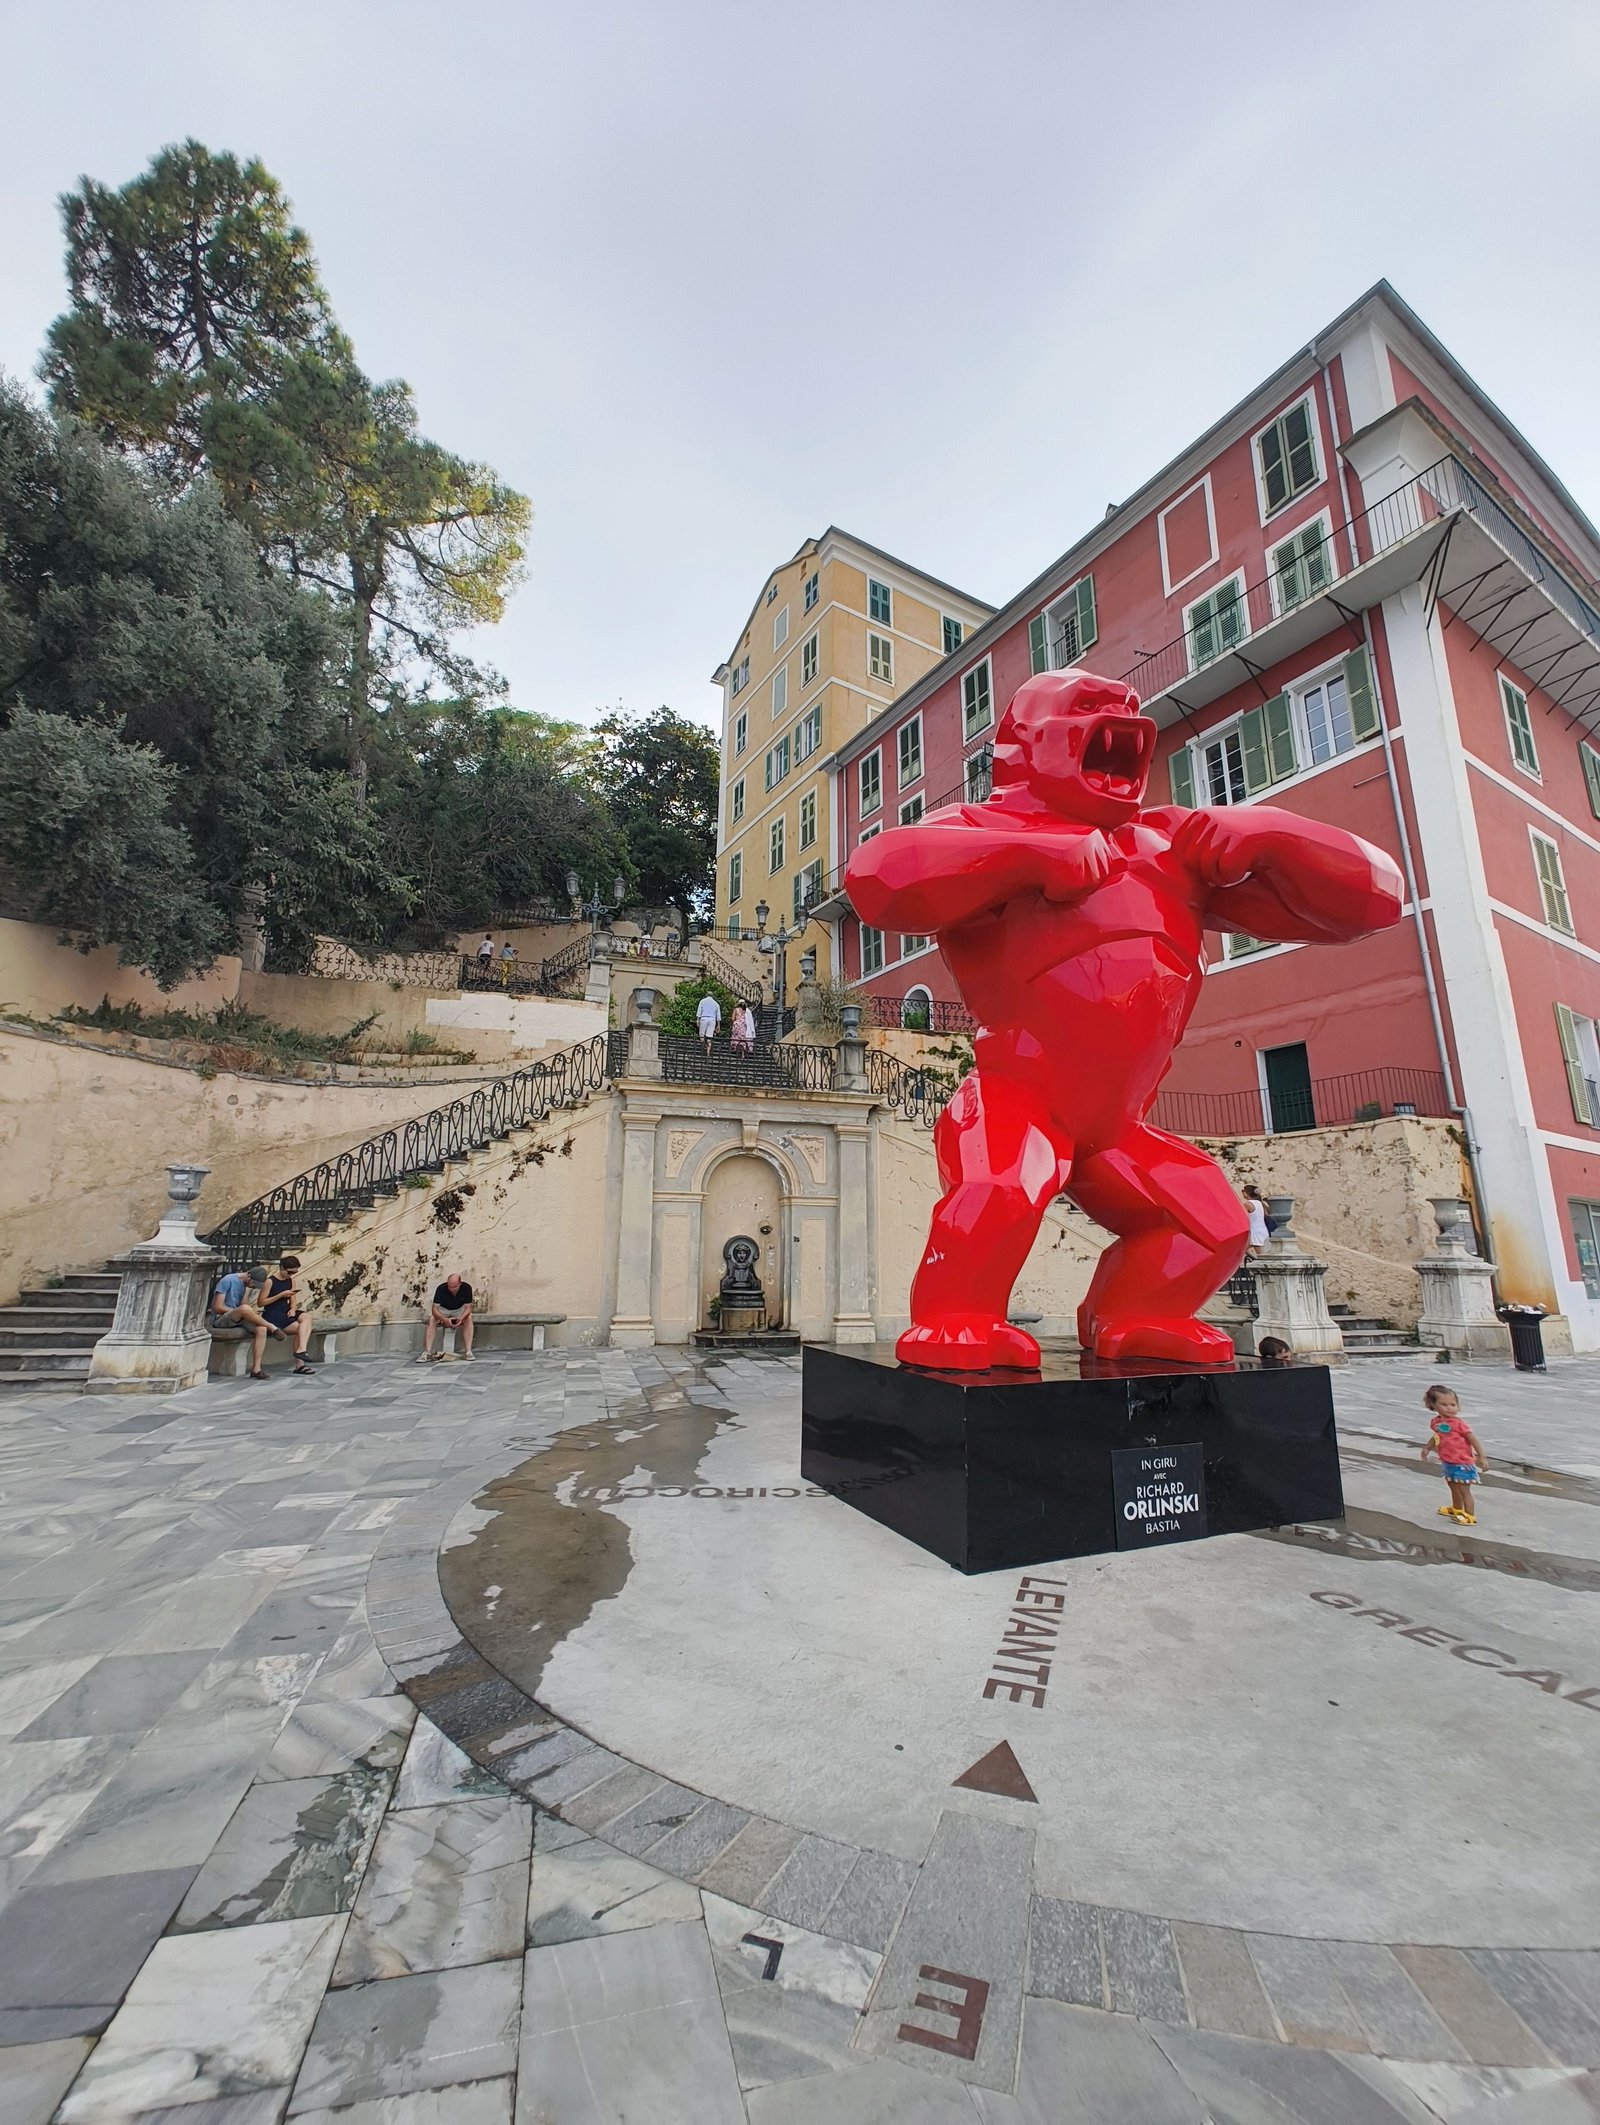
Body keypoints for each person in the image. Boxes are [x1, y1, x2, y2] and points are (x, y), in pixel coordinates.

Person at [1421, 1383, 1484, 1525]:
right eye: (1444, 1404)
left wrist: (1482, 1456)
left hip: (1462, 1463)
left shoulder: (1459, 1424)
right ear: (1433, 1405)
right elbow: (1437, 1436)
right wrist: (1427, 1447)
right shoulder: (1437, 1422)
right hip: (1448, 1461)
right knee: (1452, 1486)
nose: (1449, 1408)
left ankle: (1469, 1516)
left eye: (1453, 1404)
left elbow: (1473, 1439)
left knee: (1464, 1490)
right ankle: (1457, 1509)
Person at [210, 1266, 282, 1380]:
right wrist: (239, 1311)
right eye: (254, 1284)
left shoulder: (246, 1286)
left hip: (238, 1317)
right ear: (249, 1276)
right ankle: (272, 1327)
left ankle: (256, 1369)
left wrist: (246, 1295)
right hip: (221, 1318)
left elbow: (244, 1306)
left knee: (261, 1329)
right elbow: (217, 1307)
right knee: (245, 1309)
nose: (254, 1287)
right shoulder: (228, 1280)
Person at [259, 1254, 316, 1376]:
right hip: (273, 1313)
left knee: (307, 1317)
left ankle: (301, 1349)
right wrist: (280, 1295)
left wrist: (293, 1309)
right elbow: (261, 1302)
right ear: (282, 1268)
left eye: (294, 1272)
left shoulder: (291, 1281)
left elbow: (293, 1299)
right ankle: (300, 1364)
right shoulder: (270, 1281)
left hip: (286, 1310)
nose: (291, 1275)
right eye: (289, 1272)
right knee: (299, 1328)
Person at [421, 1271, 475, 1361]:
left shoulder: (466, 1288)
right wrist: (444, 1319)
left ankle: (468, 1352)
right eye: (450, 1286)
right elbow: (434, 1309)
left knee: (468, 1319)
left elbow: (468, 1308)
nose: (451, 1289)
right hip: (443, 1309)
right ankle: (427, 1352)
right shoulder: (441, 1288)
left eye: (454, 1287)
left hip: (459, 1309)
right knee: (432, 1319)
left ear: (460, 1284)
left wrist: (461, 1319)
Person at [1243, 1184, 1270, 1255]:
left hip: (1255, 1232)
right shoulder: (1260, 1203)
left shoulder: (1248, 1204)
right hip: (1262, 1230)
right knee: (1241, 1250)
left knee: (1262, 1256)